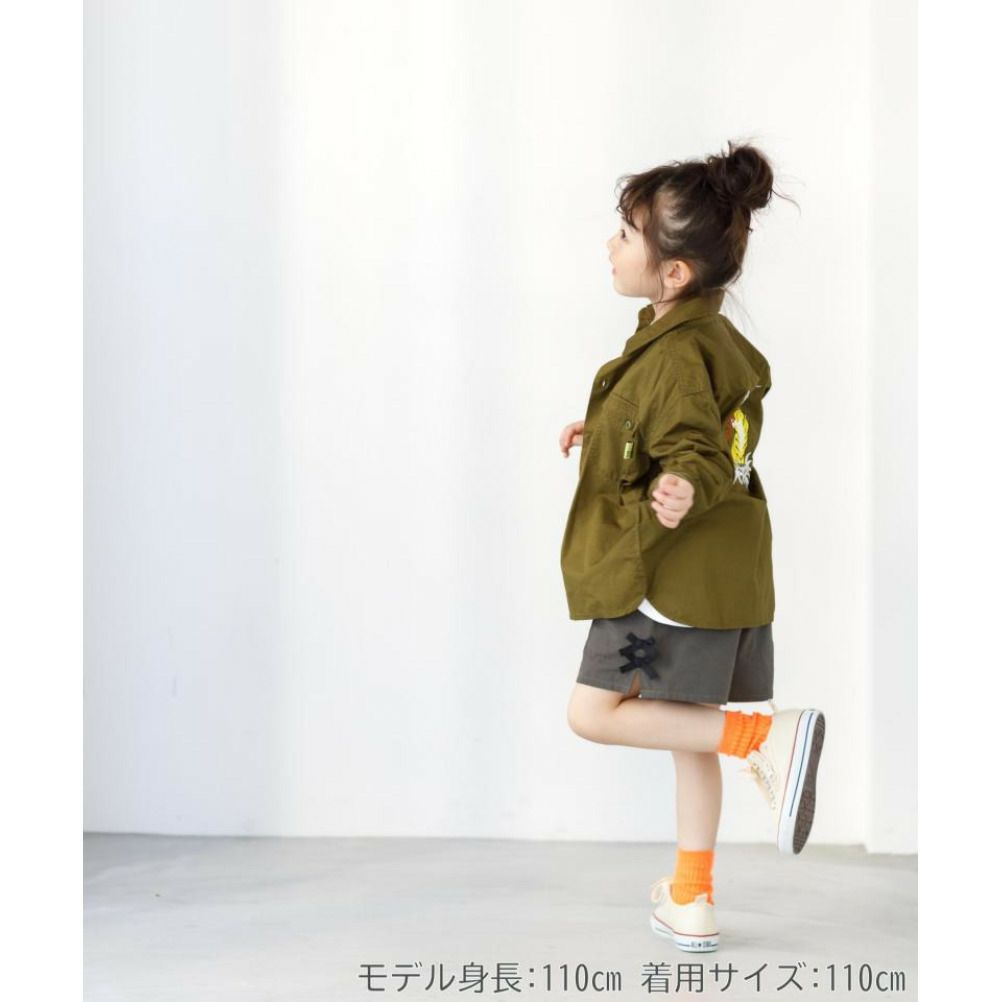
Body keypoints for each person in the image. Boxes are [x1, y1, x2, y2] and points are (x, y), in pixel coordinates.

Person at [558, 141, 825, 953]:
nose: (611, 245)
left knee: (593, 713)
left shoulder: (673, 354)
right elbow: (693, 427)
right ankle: (692, 896)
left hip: (665, 574)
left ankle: (767, 739)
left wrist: (679, 483)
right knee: (686, 731)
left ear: (673, 272)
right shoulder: (706, 340)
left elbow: (698, 452)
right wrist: (606, 430)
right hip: (723, 573)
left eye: (626, 234)